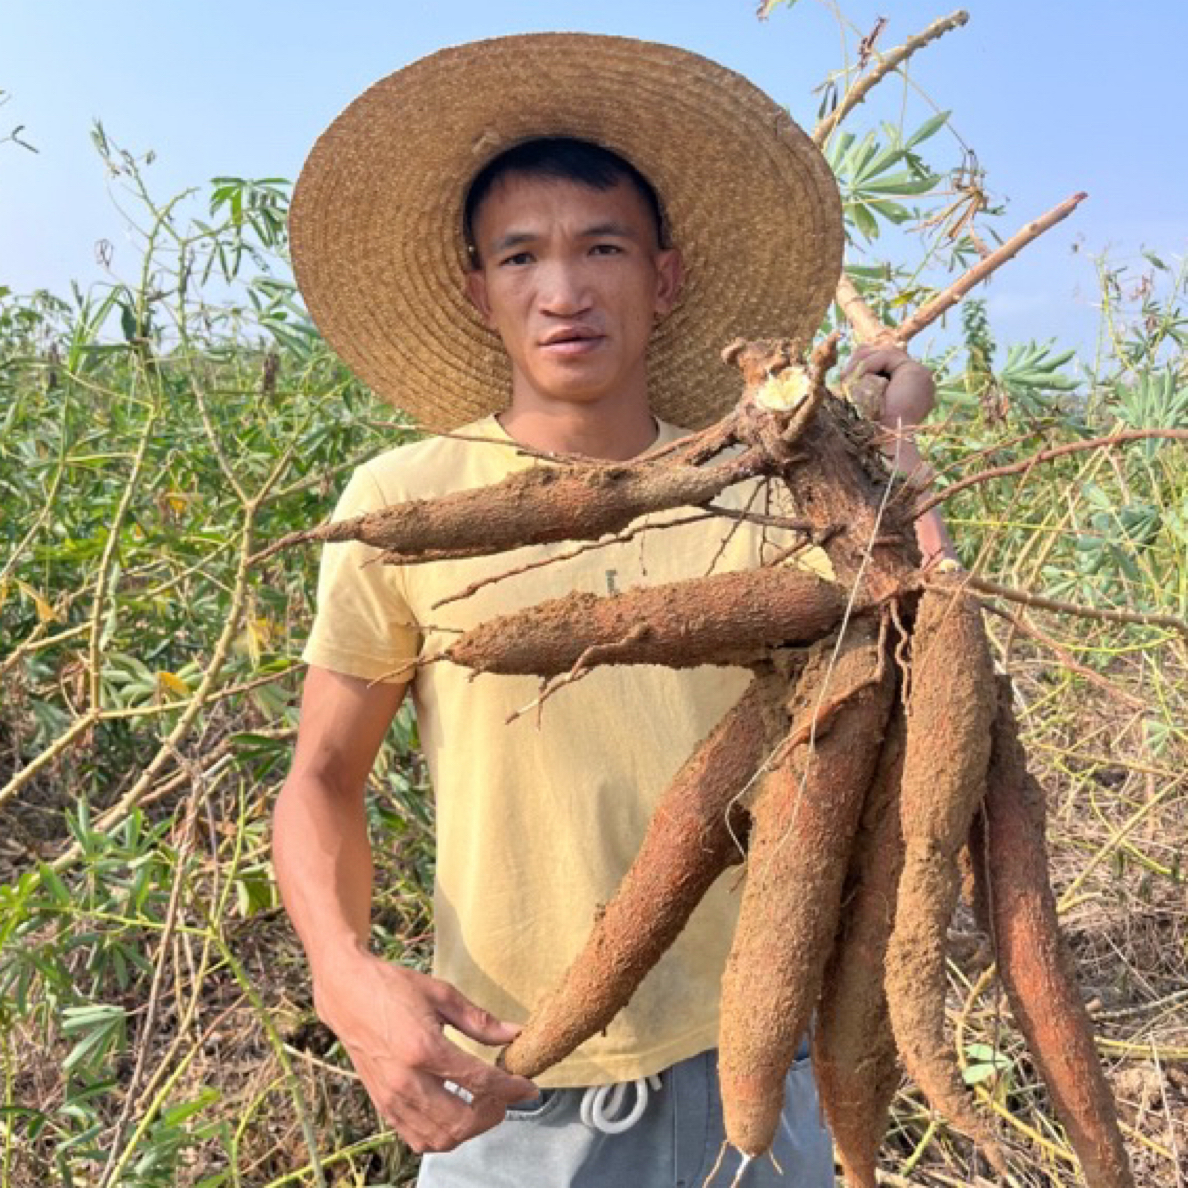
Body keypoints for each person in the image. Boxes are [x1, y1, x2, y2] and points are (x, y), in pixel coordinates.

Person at [274, 33, 943, 1187]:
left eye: (603, 248)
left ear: (665, 277)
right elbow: (321, 781)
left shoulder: (775, 486)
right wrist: (341, 974)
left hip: (762, 1071)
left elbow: (922, 675)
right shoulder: (403, 501)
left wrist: (887, 462)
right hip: (515, 1093)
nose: (565, 289)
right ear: (480, 291)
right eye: (522, 255)